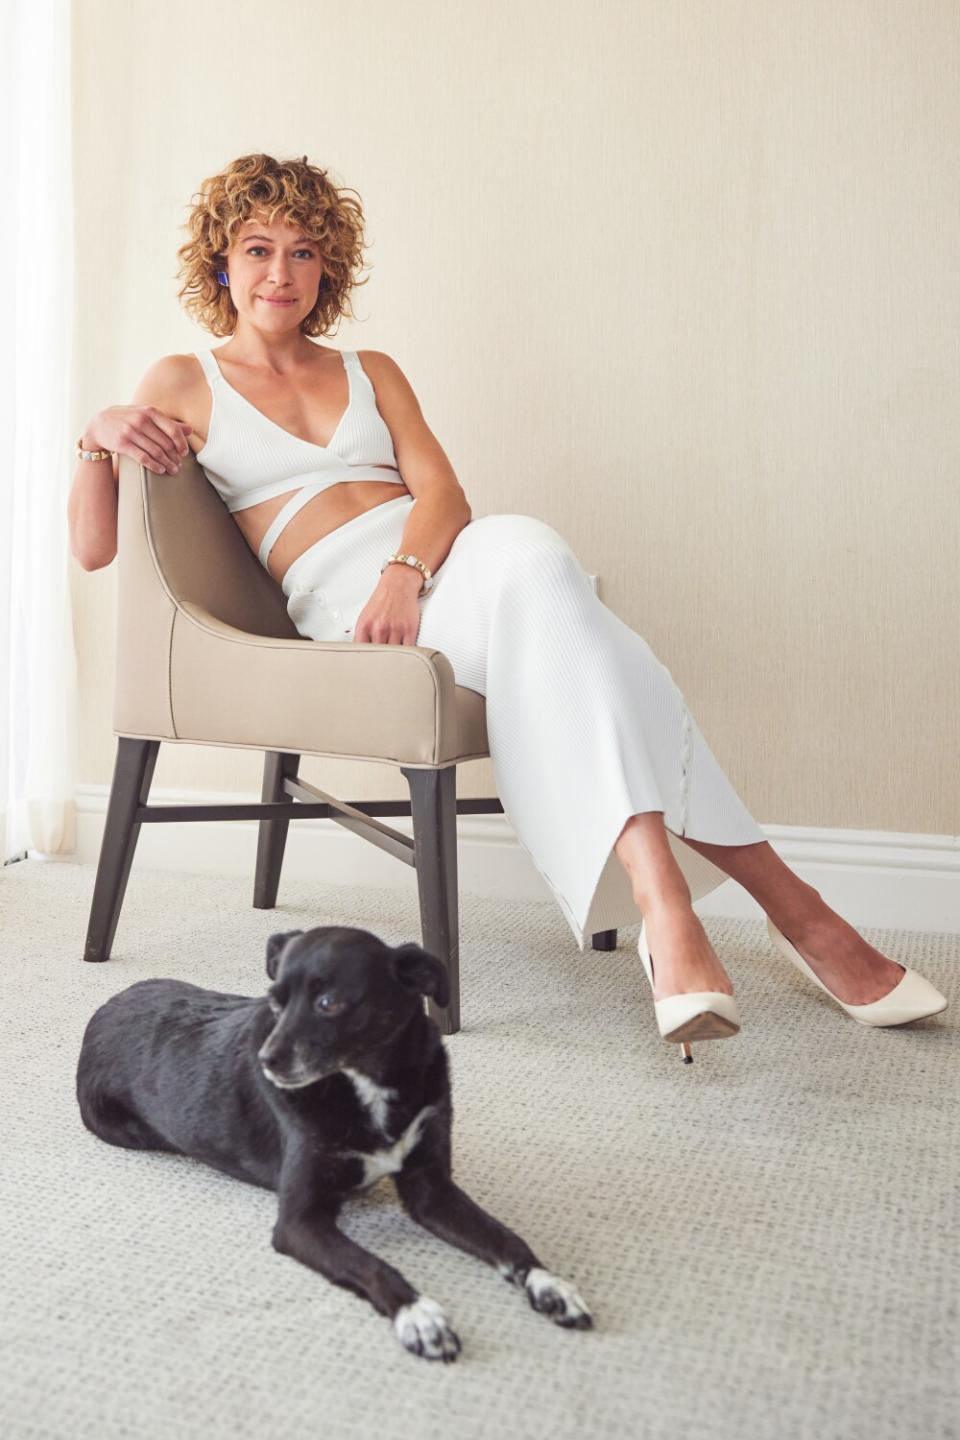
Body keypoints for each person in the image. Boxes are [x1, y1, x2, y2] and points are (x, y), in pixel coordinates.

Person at [68, 152, 947, 1063]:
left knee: (532, 551)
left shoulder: (371, 369)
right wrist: (91, 438)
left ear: (327, 267)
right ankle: (791, 916)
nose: (279, 273)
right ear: (222, 262)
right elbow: (97, 549)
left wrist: (407, 570)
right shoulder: (183, 379)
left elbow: (444, 494)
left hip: (436, 565)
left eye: (302, 252)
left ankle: (665, 906)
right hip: (344, 602)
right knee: (585, 633)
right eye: (257, 249)